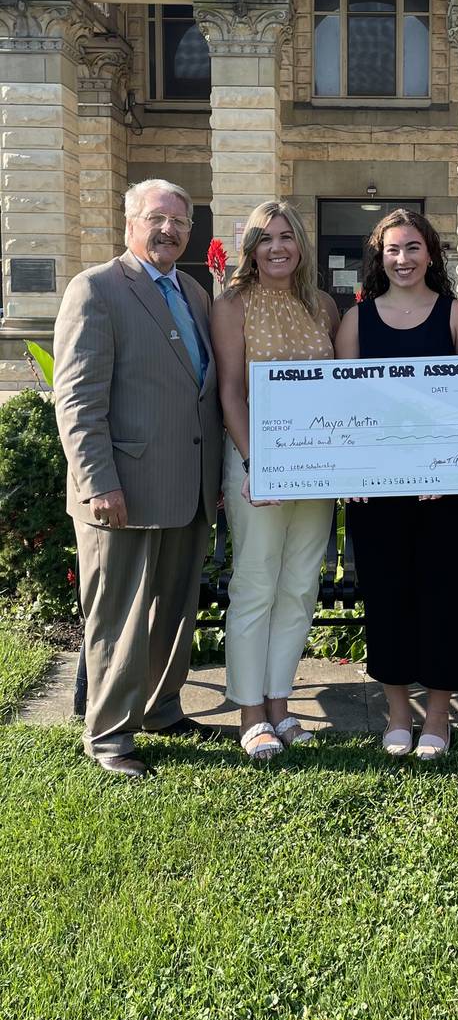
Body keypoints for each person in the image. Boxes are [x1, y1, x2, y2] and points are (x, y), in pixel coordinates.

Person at [53, 178, 224, 780]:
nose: (170, 230)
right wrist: (99, 482)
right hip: (121, 490)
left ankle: (161, 708)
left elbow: (202, 391)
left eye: (180, 221)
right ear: (129, 223)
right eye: (157, 218)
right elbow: (76, 400)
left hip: (189, 488)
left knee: (176, 612)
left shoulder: (196, 295)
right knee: (117, 617)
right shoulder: (97, 289)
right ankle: (107, 735)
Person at [335, 209, 458, 760]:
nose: (403, 259)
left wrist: (443, 467)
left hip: (448, 493)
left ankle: (439, 717)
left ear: (432, 254)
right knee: (388, 595)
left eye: (413, 248)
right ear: (378, 257)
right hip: (377, 492)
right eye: (392, 249)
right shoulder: (355, 322)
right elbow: (344, 406)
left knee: (447, 595)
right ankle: (399, 712)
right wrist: (350, 471)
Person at [210, 201, 340, 762]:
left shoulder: (325, 307)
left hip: (316, 468)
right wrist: (256, 462)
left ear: (301, 245)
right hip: (256, 465)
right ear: (251, 248)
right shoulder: (232, 306)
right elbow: (231, 393)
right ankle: (250, 713)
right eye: (266, 239)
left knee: (299, 587)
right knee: (256, 584)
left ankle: (281, 705)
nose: (278, 247)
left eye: (287, 237)